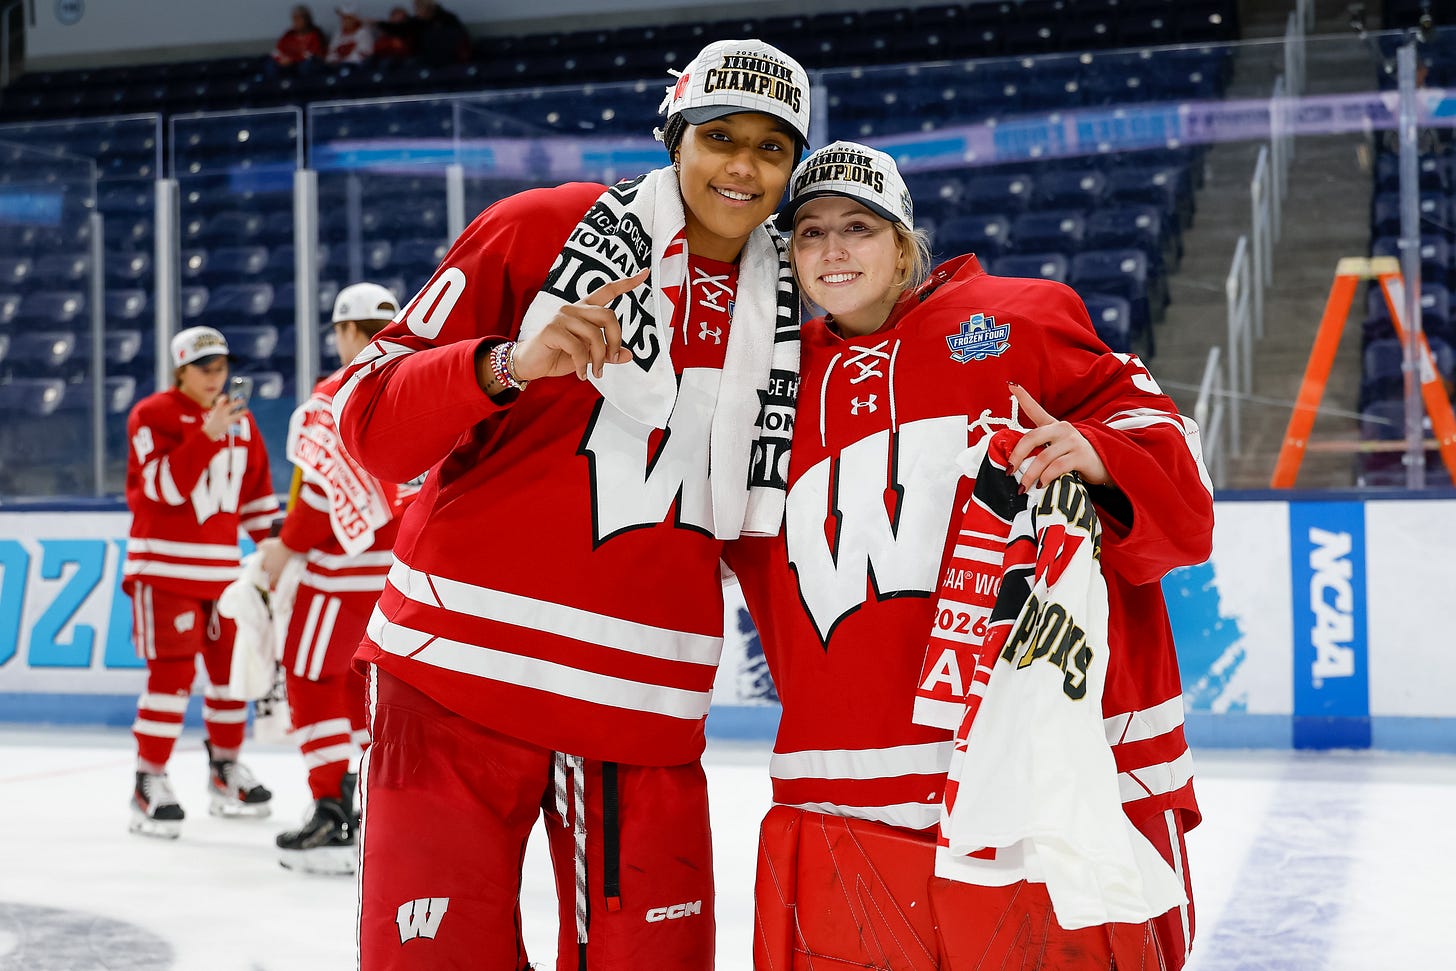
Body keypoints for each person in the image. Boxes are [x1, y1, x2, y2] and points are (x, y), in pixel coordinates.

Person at [333, 39, 810, 969]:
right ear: (675, 138)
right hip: (454, 675)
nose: (743, 166)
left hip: (642, 704)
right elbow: (369, 422)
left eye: (772, 146)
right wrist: (506, 364)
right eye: (720, 136)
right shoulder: (540, 227)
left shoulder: (800, 306)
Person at [726, 142, 1215, 969]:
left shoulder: (1020, 317)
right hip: (844, 787)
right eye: (810, 233)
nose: (833, 250)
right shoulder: (770, 381)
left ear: (905, 241)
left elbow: (1180, 486)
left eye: (858, 227)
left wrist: (1094, 454)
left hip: (1037, 773)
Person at [256, 283, 413, 875]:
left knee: (310, 679)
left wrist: (284, 548)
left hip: (341, 575)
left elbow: (320, 502)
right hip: (402, 574)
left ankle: (331, 808)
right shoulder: (417, 384)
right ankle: (380, 814)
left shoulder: (330, 399)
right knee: (372, 697)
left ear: (345, 331)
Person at [122, 326, 281, 839]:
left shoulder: (243, 421)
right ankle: (149, 781)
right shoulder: (152, 414)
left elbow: (256, 500)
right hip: (164, 570)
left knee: (230, 677)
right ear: (182, 369)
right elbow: (163, 488)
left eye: (221, 366)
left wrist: (278, 551)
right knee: (170, 680)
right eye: (205, 367)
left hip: (222, 575)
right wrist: (206, 434)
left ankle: (225, 771)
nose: (217, 376)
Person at [373, 0, 468, 66]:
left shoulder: (447, 19)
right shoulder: (416, 22)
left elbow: (461, 38)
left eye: (419, 7)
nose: (417, 10)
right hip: (426, 59)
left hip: (449, 58)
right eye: (416, 7)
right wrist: (379, 23)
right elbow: (399, 29)